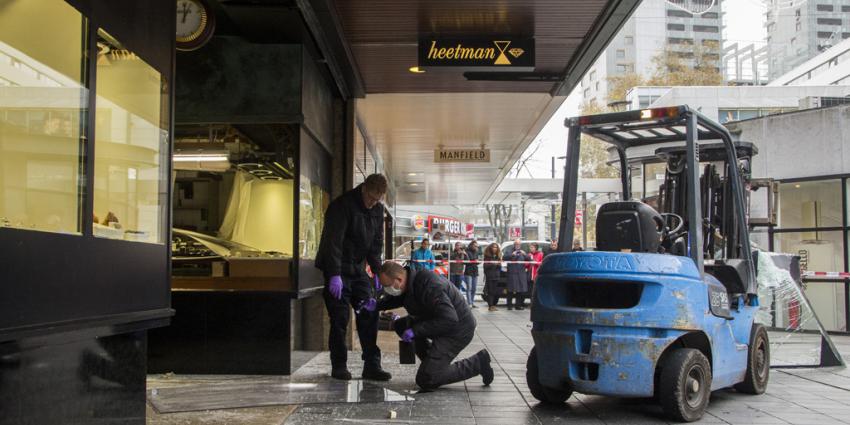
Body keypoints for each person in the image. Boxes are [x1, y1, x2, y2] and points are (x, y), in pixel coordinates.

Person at [315, 174, 392, 381]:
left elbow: (376, 244)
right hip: (338, 270)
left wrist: (377, 271)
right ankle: (339, 365)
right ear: (364, 189)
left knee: (369, 312)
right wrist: (333, 274)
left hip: (358, 271)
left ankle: (372, 365)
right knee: (340, 319)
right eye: (370, 198)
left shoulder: (376, 210)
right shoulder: (342, 206)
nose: (372, 203)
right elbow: (333, 242)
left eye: (377, 200)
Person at [376, 261, 494, 391]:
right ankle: (433, 363)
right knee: (401, 325)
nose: (386, 289)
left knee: (427, 379)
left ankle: (478, 363)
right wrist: (376, 305)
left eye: (387, 286)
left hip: (457, 329)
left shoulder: (429, 285)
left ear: (399, 279)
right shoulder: (409, 282)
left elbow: (449, 319)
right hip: (438, 321)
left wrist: (415, 331)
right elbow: (397, 298)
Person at [503, 239, 530, 310]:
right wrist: (512, 254)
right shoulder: (509, 250)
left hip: (521, 273)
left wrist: (525, 254)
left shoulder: (522, 252)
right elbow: (504, 258)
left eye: (519, 244)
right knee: (510, 290)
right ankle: (509, 305)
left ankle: (518, 305)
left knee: (519, 290)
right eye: (516, 244)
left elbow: (529, 259)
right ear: (514, 244)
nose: (518, 246)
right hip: (512, 273)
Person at [482, 243, 502, 312]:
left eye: (496, 247)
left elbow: (499, 267)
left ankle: (493, 305)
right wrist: (493, 264)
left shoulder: (497, 257)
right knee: (490, 291)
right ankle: (490, 306)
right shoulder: (487, 257)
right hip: (490, 276)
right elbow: (485, 267)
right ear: (491, 248)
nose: (495, 249)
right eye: (493, 247)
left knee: (495, 291)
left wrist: (499, 264)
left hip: (496, 276)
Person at [464, 241, 480, 308]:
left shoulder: (476, 252)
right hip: (468, 272)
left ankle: (472, 302)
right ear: (471, 245)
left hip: (475, 271)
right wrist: (474, 261)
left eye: (477, 246)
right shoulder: (466, 252)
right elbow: (466, 262)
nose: (476, 247)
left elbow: (476, 261)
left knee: (474, 288)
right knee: (469, 288)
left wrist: (477, 261)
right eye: (475, 246)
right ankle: (469, 303)